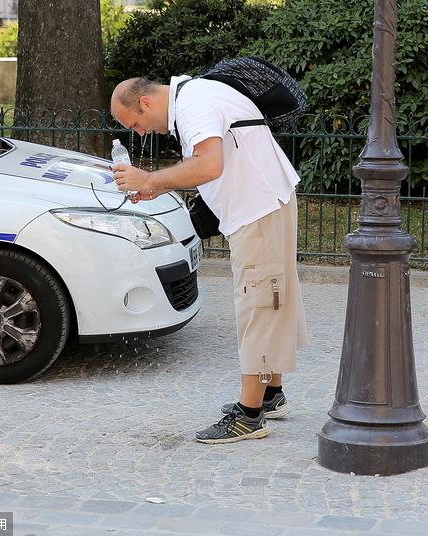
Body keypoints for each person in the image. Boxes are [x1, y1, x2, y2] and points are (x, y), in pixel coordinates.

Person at [110, 76, 308, 444]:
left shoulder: (192, 106)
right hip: (266, 201)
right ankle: (270, 394)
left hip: (257, 208)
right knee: (271, 296)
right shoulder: (194, 94)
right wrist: (157, 186)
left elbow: (209, 165)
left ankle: (249, 417)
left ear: (147, 104)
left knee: (259, 302)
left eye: (134, 125)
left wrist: (151, 180)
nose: (138, 135)